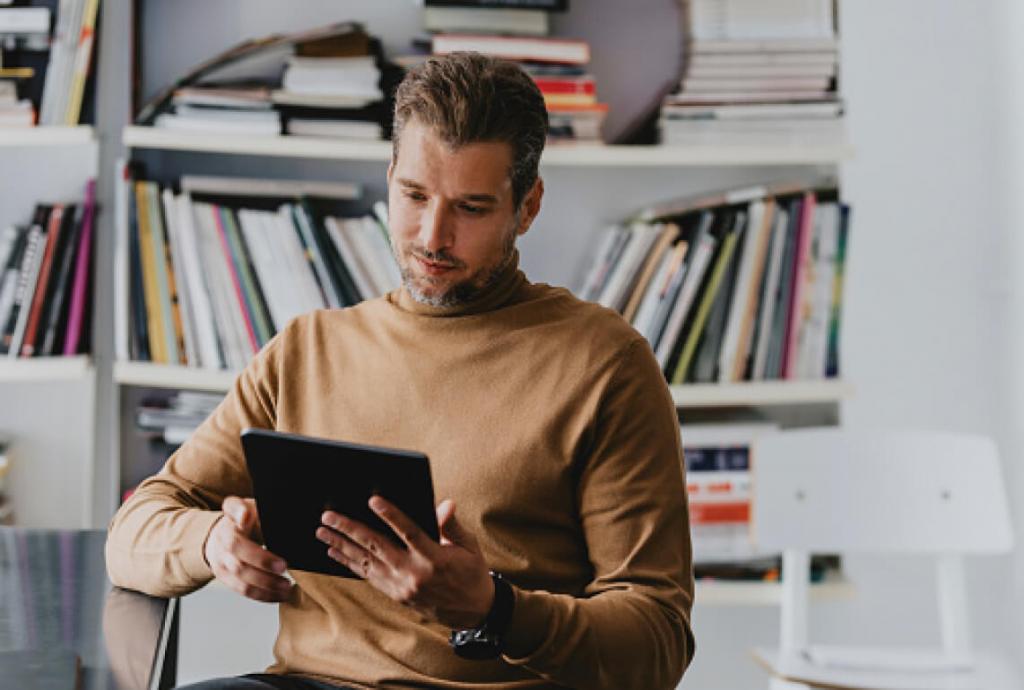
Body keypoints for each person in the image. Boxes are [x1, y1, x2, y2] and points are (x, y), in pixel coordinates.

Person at [106, 52, 695, 690]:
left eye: (471, 208)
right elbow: (134, 529)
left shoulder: (605, 364)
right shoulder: (308, 349)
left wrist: (496, 610)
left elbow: (658, 642)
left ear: (526, 207)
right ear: (390, 176)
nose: (432, 236)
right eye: (413, 195)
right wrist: (212, 543)